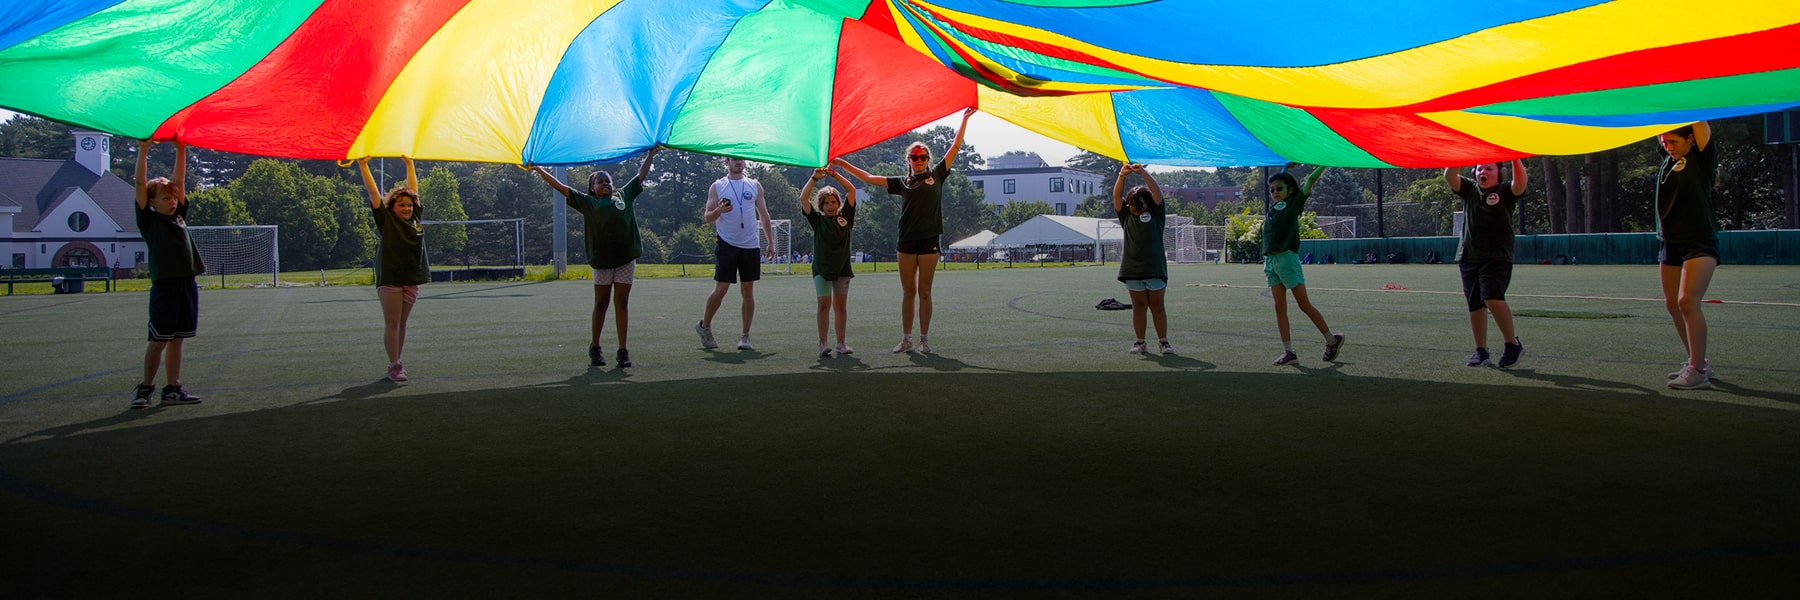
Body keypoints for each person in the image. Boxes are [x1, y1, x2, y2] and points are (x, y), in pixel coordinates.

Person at [832, 107, 975, 354]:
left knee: (925, 292)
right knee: (908, 291)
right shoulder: (902, 182)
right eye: (914, 157)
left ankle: (924, 340)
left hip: (929, 240)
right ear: (908, 160)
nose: (918, 161)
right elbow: (867, 177)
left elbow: (954, 148)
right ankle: (907, 339)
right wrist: (842, 163)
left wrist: (963, 121)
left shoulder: (938, 175)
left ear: (927, 159)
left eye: (922, 157)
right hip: (906, 241)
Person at [531, 147, 659, 368]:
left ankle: (622, 350)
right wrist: (538, 169)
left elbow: (641, 176)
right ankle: (596, 347)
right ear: (592, 188)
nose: (605, 184)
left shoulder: (623, 195)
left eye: (607, 181)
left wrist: (650, 155)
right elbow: (561, 187)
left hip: (626, 259)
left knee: (622, 302)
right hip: (601, 261)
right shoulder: (587, 203)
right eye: (599, 182)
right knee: (601, 303)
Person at [131, 140, 204, 409]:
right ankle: (145, 388)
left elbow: (180, 180)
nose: (173, 201)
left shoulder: (179, 216)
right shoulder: (149, 221)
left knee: (177, 339)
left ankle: (173, 388)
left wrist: (181, 148)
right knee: (158, 340)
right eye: (165, 198)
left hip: (187, 284)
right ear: (152, 202)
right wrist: (143, 150)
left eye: (173, 197)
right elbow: (140, 184)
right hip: (165, 288)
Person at [1444, 158, 1529, 368]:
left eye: (1489, 169)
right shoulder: (1469, 190)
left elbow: (1520, 184)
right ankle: (1481, 351)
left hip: (1497, 256)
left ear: (1499, 173)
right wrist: (1463, 154)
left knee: (1492, 296)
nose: (1483, 172)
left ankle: (1512, 344)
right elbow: (1449, 176)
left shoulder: (1505, 192)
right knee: (1475, 304)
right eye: (1479, 168)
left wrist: (1515, 157)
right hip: (1469, 256)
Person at [1656, 121, 1719, 390]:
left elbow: (1700, 117)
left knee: (1687, 302)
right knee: (1672, 303)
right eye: (1665, 142)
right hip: (1670, 243)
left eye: (1675, 143)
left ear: (1691, 140)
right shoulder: (1668, 159)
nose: (1669, 147)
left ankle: (1697, 371)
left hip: (1699, 241)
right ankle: (1698, 361)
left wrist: (1687, 91)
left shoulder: (1701, 158)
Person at [1263, 163, 1345, 366]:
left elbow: (1310, 181)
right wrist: (1284, 167)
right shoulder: (1274, 206)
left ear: (1290, 189)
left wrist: (1323, 163)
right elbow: (1280, 179)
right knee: (1279, 306)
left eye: (1279, 189)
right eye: (1272, 190)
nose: (1275, 192)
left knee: (1303, 304)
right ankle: (1289, 351)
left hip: (1286, 259)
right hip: (1271, 261)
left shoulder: (1294, 203)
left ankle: (1332, 341)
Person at [357, 157, 427, 382]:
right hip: (391, 279)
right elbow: (373, 194)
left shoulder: (415, 219)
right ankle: (394, 365)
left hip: (411, 278)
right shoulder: (386, 219)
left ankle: (398, 360)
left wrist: (409, 163)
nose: (407, 208)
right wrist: (363, 165)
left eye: (408, 205)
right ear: (392, 207)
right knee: (392, 322)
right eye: (402, 205)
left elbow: (414, 190)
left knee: (402, 323)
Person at [696, 157, 775, 351]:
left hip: (750, 245)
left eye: (741, 160)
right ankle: (705, 326)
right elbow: (707, 217)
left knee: (748, 290)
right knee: (721, 288)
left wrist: (770, 242)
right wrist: (719, 210)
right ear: (727, 162)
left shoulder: (754, 185)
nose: (739, 163)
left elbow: (764, 215)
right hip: (727, 244)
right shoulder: (718, 186)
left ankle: (745, 336)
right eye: (735, 160)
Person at [798, 167, 859, 357]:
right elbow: (803, 199)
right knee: (823, 304)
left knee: (840, 306)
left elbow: (851, 190)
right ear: (821, 206)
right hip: (822, 269)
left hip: (842, 268)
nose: (831, 205)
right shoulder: (816, 220)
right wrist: (815, 178)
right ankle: (823, 343)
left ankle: (841, 343)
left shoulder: (846, 216)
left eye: (834, 202)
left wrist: (834, 174)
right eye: (827, 203)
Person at [1112, 163, 1172, 355]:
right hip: (1132, 270)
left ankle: (1163, 342)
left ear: (1147, 204)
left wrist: (1141, 172)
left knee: (1157, 306)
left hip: (1154, 268)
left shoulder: (1157, 214)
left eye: (1139, 204)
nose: (1135, 208)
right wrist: (1122, 175)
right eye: (1132, 205)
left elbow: (1156, 193)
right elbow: (1116, 197)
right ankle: (1140, 342)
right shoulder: (1126, 216)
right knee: (1138, 307)